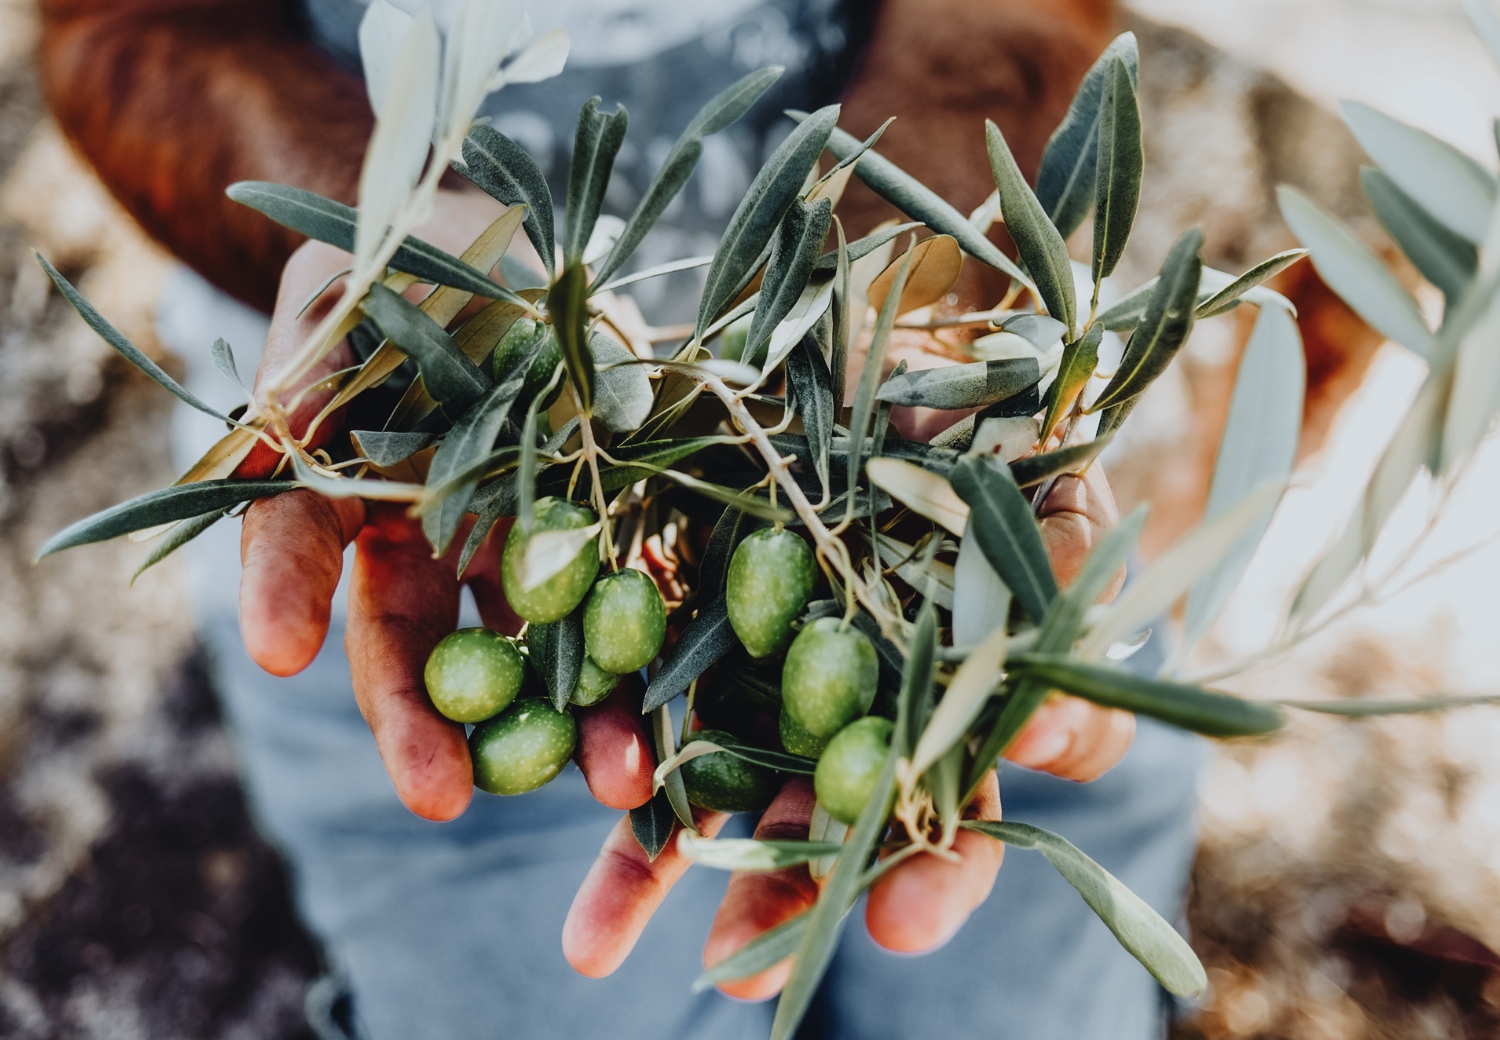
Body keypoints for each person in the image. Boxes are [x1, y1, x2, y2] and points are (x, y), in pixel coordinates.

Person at [39, 1, 1205, 1036]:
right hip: (426, 526)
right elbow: (117, 24)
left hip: (948, 522)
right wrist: (392, 250)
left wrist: (902, 295)